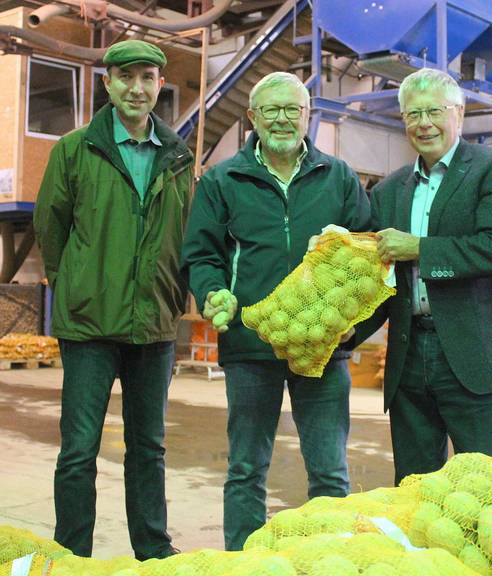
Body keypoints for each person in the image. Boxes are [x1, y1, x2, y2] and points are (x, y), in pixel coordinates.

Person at [180, 71, 371, 551]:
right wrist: (212, 292)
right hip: (250, 346)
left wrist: (353, 328)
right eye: (271, 109)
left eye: (294, 109)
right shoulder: (224, 179)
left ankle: (329, 557)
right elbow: (202, 255)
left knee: (329, 470)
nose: (283, 119)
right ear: (252, 117)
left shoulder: (339, 176)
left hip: (323, 348)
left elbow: (368, 257)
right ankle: (243, 558)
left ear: (309, 115)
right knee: (246, 467)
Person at [33, 39, 193, 559]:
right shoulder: (74, 150)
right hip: (88, 327)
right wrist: (77, 286)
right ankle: (71, 553)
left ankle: (152, 550)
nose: (136, 88)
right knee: (79, 450)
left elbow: (185, 235)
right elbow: (51, 231)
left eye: (147, 78)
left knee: (149, 448)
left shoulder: (178, 155)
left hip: (154, 327)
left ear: (160, 85)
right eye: (125, 78)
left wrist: (170, 298)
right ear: (108, 84)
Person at [364, 67, 492, 485]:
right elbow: (381, 280)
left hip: (473, 354)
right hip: (408, 356)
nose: (423, 124)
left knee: (487, 487)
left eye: (434, 111)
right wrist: (332, 336)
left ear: (458, 113)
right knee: (415, 488)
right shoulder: (388, 191)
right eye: (412, 114)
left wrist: (420, 249)